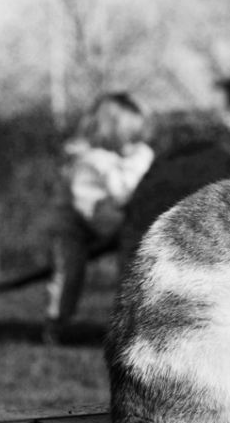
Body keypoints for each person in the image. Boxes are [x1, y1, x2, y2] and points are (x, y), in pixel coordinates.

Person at [44, 92, 154, 342]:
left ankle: (133, 321)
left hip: (111, 219)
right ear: (110, 130)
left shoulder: (121, 158)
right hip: (71, 223)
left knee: (132, 260)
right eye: (129, 135)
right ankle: (55, 324)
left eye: (137, 136)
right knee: (68, 272)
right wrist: (117, 224)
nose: (133, 142)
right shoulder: (89, 161)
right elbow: (92, 200)